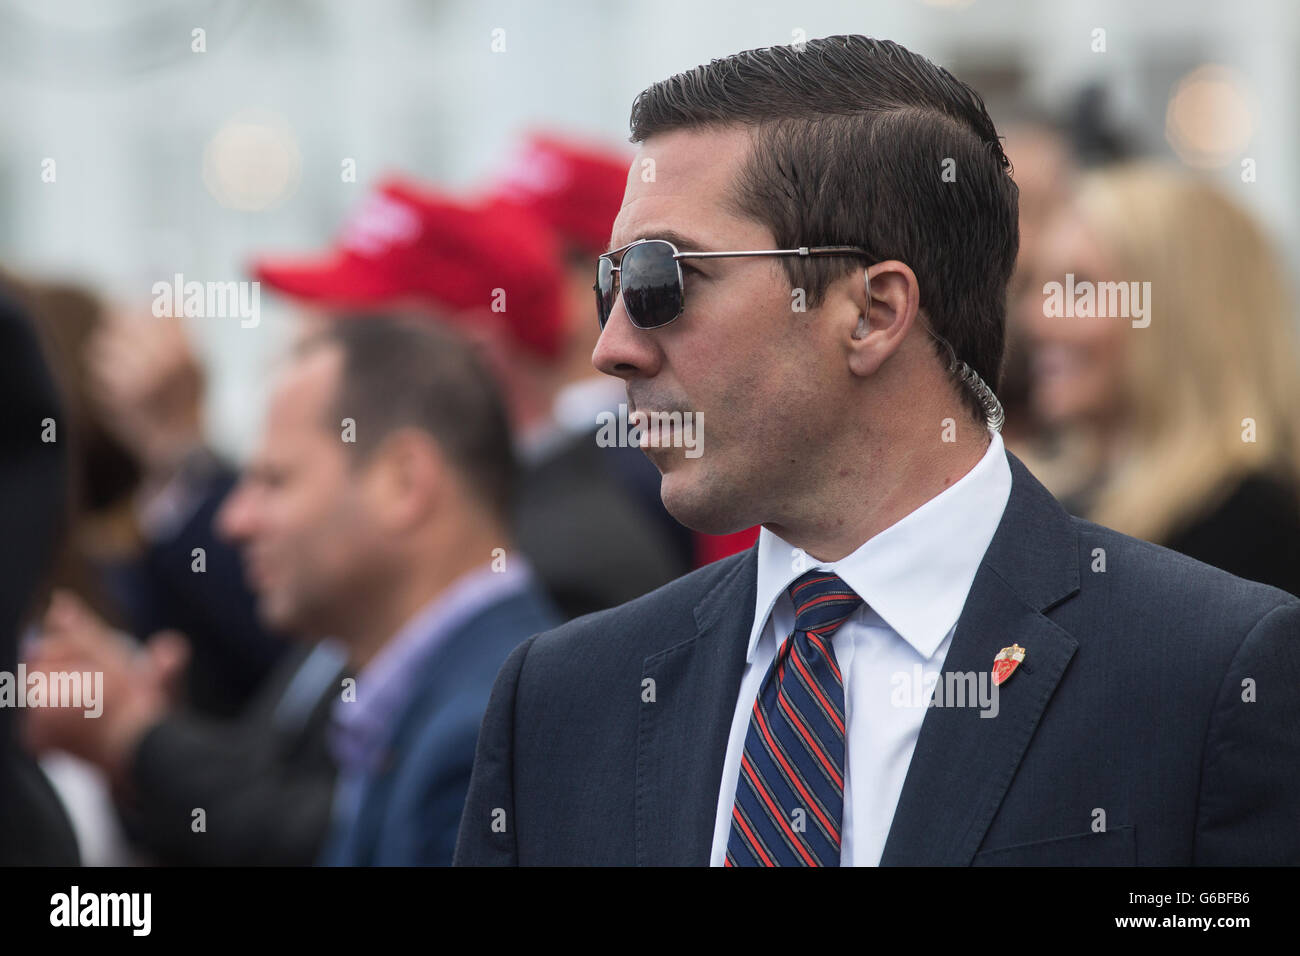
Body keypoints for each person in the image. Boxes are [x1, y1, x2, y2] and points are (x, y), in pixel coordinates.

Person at [454, 35, 1300, 867]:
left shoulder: (1207, 674)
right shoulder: (562, 701)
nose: (612, 346)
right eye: (611, 283)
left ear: (873, 311)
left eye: (658, 280)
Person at [253, 180, 686, 618]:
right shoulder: (510, 539)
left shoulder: (554, 574)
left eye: (347, 352)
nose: (303, 377)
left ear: (478, 361)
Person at [1020, 162, 1300, 596]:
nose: (1038, 321)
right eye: (1037, 289)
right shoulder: (1051, 502)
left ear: (1179, 311)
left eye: (1080, 289)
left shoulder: (1253, 529)